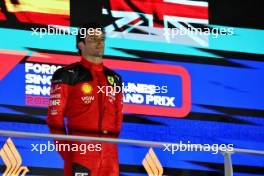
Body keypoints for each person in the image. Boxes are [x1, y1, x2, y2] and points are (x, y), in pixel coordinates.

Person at [47, 23, 123, 176]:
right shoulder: (67, 74)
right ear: (80, 44)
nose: (99, 42)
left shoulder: (115, 78)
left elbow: (118, 119)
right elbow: (55, 119)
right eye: (93, 39)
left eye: (102, 38)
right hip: (81, 155)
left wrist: (109, 148)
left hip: (110, 158)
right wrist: (69, 153)